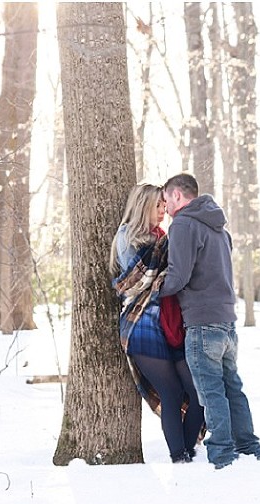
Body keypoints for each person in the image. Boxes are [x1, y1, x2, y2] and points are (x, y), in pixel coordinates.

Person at [159, 173, 260, 469]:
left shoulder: (182, 225)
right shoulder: (219, 229)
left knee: (210, 391)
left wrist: (153, 290)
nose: (165, 206)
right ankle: (249, 448)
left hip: (202, 323)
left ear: (178, 196)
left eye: (166, 199)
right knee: (233, 387)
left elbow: (178, 277)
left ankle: (222, 455)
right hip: (227, 323)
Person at [109, 183, 204, 464]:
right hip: (142, 323)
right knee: (171, 393)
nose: (164, 211)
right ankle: (180, 457)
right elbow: (136, 284)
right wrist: (167, 273)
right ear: (143, 207)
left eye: (165, 206)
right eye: (158, 206)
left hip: (170, 324)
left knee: (196, 390)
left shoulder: (162, 236)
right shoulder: (128, 237)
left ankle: (189, 451)